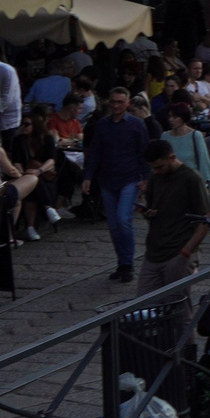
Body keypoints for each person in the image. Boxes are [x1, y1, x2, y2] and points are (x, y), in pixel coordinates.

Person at [135, 134, 210, 308]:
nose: (156, 171)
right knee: (142, 307)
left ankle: (181, 336)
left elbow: (205, 220)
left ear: (172, 158)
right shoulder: (155, 178)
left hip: (178, 252)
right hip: (154, 252)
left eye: (159, 167)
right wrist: (147, 212)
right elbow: (156, 209)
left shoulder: (191, 179)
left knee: (178, 311)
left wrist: (186, 253)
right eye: (152, 168)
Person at [85, 85, 153, 283]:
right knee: (114, 225)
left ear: (127, 103)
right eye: (113, 101)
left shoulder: (136, 125)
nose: (116, 105)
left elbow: (143, 152)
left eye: (120, 102)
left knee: (123, 220)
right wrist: (88, 176)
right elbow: (95, 152)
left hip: (129, 178)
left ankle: (128, 263)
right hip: (108, 179)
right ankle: (122, 262)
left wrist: (146, 178)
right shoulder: (102, 125)